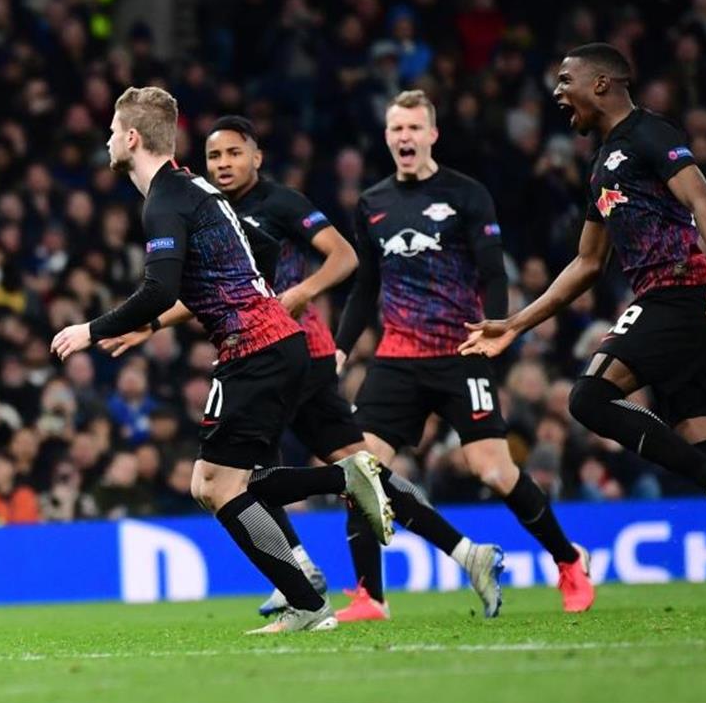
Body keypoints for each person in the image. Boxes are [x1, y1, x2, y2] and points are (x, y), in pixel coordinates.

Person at [102, 115, 506, 623]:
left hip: (291, 354)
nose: (224, 164)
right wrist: (156, 324)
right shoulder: (207, 203)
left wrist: (300, 293)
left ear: (256, 156)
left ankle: (300, 573)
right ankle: (466, 552)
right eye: (214, 156)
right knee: (332, 469)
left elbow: (344, 258)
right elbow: (221, 285)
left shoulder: (278, 202)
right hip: (278, 351)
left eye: (233, 154)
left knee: (233, 477)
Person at [49, 86, 394, 634]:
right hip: (275, 343)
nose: (109, 139)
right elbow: (259, 253)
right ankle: (321, 552)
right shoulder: (197, 191)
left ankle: (324, 547)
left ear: (132, 138)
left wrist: (90, 330)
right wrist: (178, 316)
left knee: (215, 486)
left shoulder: (165, 201)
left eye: (114, 131)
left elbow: (159, 287)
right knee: (225, 483)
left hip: (254, 349)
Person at [460, 43, 706, 550]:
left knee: (589, 398)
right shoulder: (601, 163)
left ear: (602, 84)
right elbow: (588, 263)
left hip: (681, 291)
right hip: (681, 304)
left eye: (566, 81)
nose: (558, 93)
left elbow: (703, 198)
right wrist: (516, 323)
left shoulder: (650, 133)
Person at [334, 89, 595, 613]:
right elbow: (365, 287)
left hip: (460, 351)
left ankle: (568, 561)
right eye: (396, 129)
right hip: (398, 356)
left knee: (494, 472)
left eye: (414, 128)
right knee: (358, 471)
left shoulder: (466, 194)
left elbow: (492, 270)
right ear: (387, 137)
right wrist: (341, 350)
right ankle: (370, 595)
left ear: (432, 134)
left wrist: (498, 326)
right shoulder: (373, 203)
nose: (404, 137)